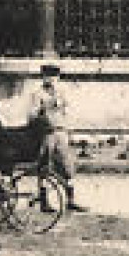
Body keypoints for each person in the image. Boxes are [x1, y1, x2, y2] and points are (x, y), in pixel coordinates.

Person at [28, 63, 86, 212]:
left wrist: (68, 130)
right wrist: (44, 107)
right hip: (47, 133)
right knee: (45, 167)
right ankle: (44, 201)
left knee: (67, 166)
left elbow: (68, 112)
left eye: (54, 77)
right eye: (48, 76)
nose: (51, 80)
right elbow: (31, 116)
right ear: (43, 77)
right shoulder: (38, 94)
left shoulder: (62, 93)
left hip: (61, 132)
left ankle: (71, 200)